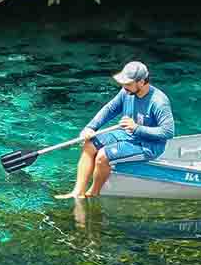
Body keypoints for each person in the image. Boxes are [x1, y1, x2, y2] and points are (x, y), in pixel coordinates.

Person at [62, 61, 176, 199]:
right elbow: (110, 109)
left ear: (141, 82)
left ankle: (92, 193)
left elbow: (168, 132)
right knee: (89, 144)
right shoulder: (126, 92)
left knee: (102, 155)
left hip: (148, 145)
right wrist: (90, 127)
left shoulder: (159, 102)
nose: (124, 86)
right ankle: (77, 192)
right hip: (127, 134)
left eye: (128, 84)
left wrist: (137, 128)